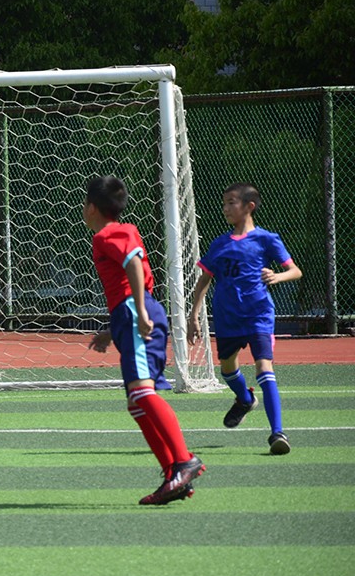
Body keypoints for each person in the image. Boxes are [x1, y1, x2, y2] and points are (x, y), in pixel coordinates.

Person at [83, 174, 205, 505]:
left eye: (84, 203)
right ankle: (172, 475)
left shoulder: (108, 234)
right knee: (136, 403)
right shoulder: (121, 231)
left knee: (142, 393)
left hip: (136, 313)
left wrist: (138, 311)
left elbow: (134, 265)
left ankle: (183, 461)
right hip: (129, 316)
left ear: (92, 207)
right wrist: (113, 329)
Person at [186, 184, 302, 455]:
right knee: (227, 369)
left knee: (264, 367)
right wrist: (193, 315)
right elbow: (204, 280)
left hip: (259, 314)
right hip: (227, 318)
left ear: (249, 206)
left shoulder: (266, 239)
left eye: (231, 203)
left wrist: (278, 276)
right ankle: (246, 398)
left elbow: (295, 271)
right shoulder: (220, 244)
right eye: (224, 203)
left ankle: (277, 434)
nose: (225, 208)